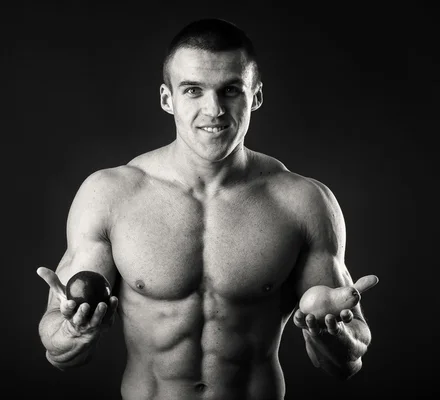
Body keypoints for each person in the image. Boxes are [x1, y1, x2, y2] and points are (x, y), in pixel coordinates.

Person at [37, 18, 379, 400]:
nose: (213, 109)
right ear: (168, 99)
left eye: (230, 90)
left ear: (256, 96)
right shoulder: (110, 195)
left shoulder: (303, 202)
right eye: (193, 90)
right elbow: (59, 352)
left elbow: (345, 363)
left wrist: (332, 336)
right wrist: (73, 331)